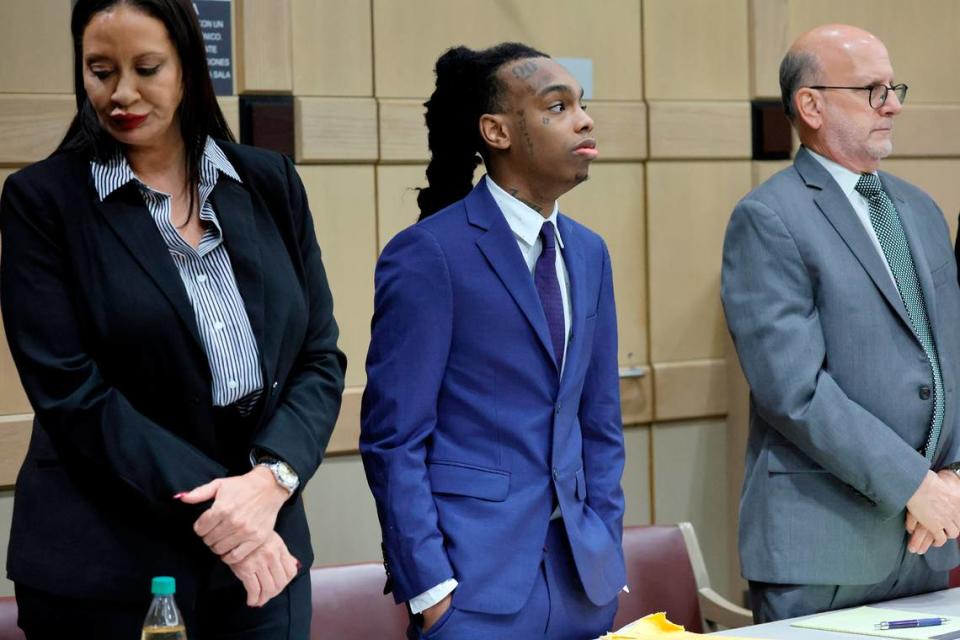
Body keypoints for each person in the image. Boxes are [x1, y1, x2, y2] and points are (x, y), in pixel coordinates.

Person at [0, 0, 345, 636]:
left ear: (189, 66)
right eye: (100, 70)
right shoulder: (42, 202)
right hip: (110, 560)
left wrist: (272, 478)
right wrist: (229, 508)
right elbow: (71, 392)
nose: (121, 92)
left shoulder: (268, 182)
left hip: (264, 549)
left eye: (147, 68)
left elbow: (319, 357)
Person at [360, 43, 626, 639]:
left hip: (583, 580)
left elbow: (599, 418)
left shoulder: (590, 253)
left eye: (582, 104)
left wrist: (605, 538)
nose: (584, 120)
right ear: (497, 131)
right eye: (557, 107)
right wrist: (430, 588)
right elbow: (392, 437)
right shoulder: (429, 253)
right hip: (472, 588)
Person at [722, 24, 960, 623]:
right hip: (822, 547)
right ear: (812, 104)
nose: (894, 104)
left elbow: (948, 356)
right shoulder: (769, 217)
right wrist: (915, 483)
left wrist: (953, 476)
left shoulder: (921, 208)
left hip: (925, 539)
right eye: (873, 90)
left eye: (893, 87)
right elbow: (793, 390)